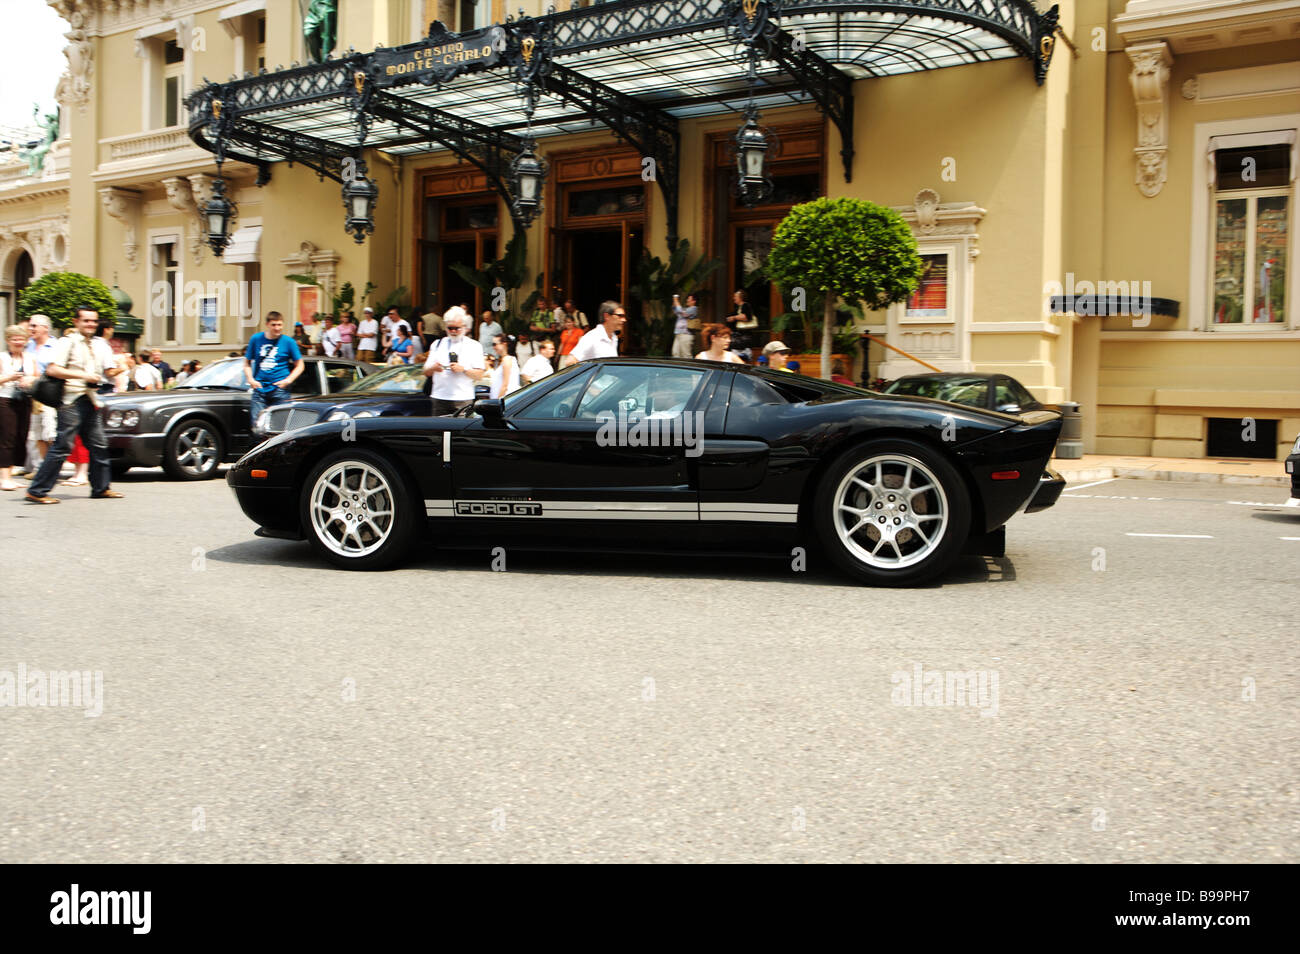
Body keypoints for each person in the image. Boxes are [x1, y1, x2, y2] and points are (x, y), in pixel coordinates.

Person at [24, 306, 123, 503]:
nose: (91, 324)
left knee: (98, 444)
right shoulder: (67, 342)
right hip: (70, 400)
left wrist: (121, 368)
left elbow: (108, 372)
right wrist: (82, 375)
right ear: (76, 322)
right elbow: (52, 369)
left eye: (94, 321)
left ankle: (101, 488)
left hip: (89, 398)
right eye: (86, 321)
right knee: (63, 445)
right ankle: (37, 491)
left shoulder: (99, 344)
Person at [244, 311, 305, 427]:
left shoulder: (289, 342)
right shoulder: (256, 339)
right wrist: (251, 380)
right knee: (258, 427)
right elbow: (246, 363)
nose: (277, 328)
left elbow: (300, 365)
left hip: (280, 391)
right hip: (259, 390)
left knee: (280, 427)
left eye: (279, 325)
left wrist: (288, 380)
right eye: (274, 325)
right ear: (267, 324)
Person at [422, 310, 486, 416]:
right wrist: (433, 368)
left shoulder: (474, 346)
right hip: (439, 397)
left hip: (463, 398)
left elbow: (479, 375)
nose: (453, 331)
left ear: (464, 327)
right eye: (450, 328)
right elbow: (425, 372)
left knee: (460, 431)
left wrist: (463, 369)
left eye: (457, 328)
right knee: (439, 431)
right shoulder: (437, 344)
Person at [0, 324, 37, 491]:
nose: (18, 342)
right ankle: (5, 478)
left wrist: (30, 380)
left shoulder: (30, 358)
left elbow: (37, 377)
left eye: (21, 339)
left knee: (21, 436)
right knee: (7, 437)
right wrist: (9, 377)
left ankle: (12, 472)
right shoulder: (2, 357)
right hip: (5, 399)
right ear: (8, 340)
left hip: (24, 399)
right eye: (14, 339)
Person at [22, 314, 58, 476]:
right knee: (37, 434)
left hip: (50, 395)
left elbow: (55, 371)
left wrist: (35, 378)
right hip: (34, 396)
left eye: (34, 326)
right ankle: (43, 468)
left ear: (45, 328)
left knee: (50, 433)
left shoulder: (55, 346)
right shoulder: (28, 346)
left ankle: (53, 468)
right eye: (30, 326)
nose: (31, 329)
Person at [489, 333, 522, 398]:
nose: (493, 347)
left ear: (504, 344)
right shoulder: (505, 360)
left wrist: (497, 402)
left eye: (495, 344)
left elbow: (505, 385)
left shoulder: (507, 360)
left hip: (504, 401)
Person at [725, 290, 754, 355]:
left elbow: (746, 317)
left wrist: (734, 318)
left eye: (735, 296)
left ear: (741, 298)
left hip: (743, 336)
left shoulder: (746, 305)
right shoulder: (738, 308)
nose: (734, 298)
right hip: (737, 336)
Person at [671, 292, 698, 359]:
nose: (687, 300)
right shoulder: (685, 309)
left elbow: (681, 312)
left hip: (686, 335)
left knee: (686, 355)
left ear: (694, 301)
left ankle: (690, 368)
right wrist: (674, 300)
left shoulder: (694, 309)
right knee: (675, 353)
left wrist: (676, 299)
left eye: (689, 299)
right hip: (678, 334)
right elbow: (675, 309)